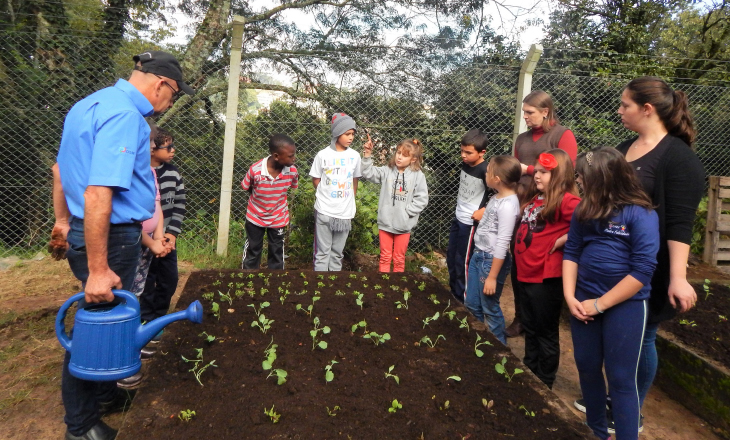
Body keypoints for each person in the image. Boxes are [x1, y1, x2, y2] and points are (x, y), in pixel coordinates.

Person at [50, 50, 194, 440]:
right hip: (109, 237)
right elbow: (99, 192)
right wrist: (99, 268)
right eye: (174, 95)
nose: (169, 103)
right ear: (162, 84)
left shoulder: (89, 104)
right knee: (94, 327)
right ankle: (81, 427)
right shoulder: (128, 117)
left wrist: (63, 221)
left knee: (108, 319)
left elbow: (61, 171)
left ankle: (106, 395)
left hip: (91, 229)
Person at [574, 76, 705, 434]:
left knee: (645, 335)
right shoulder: (625, 147)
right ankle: (616, 398)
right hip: (608, 263)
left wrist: (677, 277)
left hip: (649, 267)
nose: (619, 111)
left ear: (647, 109)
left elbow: (680, 223)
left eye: (625, 105)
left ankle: (630, 403)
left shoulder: (678, 158)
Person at [564, 147, 659, 440]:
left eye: (582, 176)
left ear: (603, 179)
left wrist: (600, 304)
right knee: (588, 367)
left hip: (625, 306)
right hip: (583, 300)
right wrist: (571, 297)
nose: (578, 181)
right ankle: (597, 430)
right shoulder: (585, 209)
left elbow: (642, 270)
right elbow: (572, 251)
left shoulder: (640, 213)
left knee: (620, 379)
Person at [507, 89, 578, 338]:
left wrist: (527, 169)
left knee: (542, 262)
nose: (525, 117)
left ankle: (541, 320)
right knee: (519, 259)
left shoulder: (563, 135)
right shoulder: (523, 139)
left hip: (549, 210)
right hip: (522, 207)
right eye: (524, 112)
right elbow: (514, 171)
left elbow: (565, 171)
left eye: (530, 112)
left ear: (545, 112)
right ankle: (521, 317)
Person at [513, 149, 580, 389]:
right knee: (530, 326)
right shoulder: (537, 198)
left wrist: (566, 238)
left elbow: (592, 222)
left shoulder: (567, 200)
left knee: (545, 331)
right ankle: (530, 369)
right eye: (537, 171)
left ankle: (545, 381)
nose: (537, 175)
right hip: (525, 273)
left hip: (545, 277)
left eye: (544, 172)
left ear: (559, 174)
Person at [464, 155, 521, 344]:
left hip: (490, 261)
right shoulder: (496, 197)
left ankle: (499, 350)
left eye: (488, 172)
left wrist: (492, 277)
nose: (485, 174)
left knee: (489, 307)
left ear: (497, 179)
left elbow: (503, 243)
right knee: (471, 303)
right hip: (478, 255)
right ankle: (478, 343)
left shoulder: (508, 205)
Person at [140, 126, 187, 328]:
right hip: (144, 240)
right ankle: (146, 319)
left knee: (169, 279)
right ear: (152, 149)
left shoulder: (173, 174)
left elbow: (180, 203)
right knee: (147, 281)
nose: (173, 150)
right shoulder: (141, 173)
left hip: (166, 239)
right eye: (169, 147)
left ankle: (160, 315)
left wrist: (171, 234)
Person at [361, 137, 429, 272]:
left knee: (399, 259)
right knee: (385, 257)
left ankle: (397, 288)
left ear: (413, 159)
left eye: (404, 155)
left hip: (403, 225)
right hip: (385, 223)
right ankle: (383, 287)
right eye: (398, 153)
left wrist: (407, 212)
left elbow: (422, 198)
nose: (399, 157)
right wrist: (367, 155)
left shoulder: (418, 175)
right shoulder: (387, 170)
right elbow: (368, 173)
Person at [309, 113, 362, 271]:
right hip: (324, 210)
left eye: (352, 134)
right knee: (322, 252)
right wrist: (327, 194)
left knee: (337, 253)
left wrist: (347, 199)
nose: (351, 137)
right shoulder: (322, 155)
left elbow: (355, 180)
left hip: (344, 213)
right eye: (347, 134)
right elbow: (316, 179)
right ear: (337, 133)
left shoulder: (355, 156)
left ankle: (333, 285)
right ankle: (320, 285)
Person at [240, 134, 298, 270]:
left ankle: (275, 281)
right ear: (276, 156)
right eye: (290, 156)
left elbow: (291, 187)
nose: (294, 158)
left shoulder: (292, 171)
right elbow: (246, 187)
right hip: (255, 217)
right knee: (253, 249)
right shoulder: (256, 170)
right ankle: (247, 279)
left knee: (277, 251)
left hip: (278, 217)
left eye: (294, 155)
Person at [446, 128, 490, 303]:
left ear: (482, 153)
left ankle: (463, 299)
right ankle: (452, 292)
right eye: (462, 151)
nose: (463, 155)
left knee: (462, 261)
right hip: (458, 217)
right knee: (451, 255)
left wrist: (484, 210)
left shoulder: (486, 170)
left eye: (468, 152)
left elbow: (496, 194)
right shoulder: (465, 165)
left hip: (470, 224)